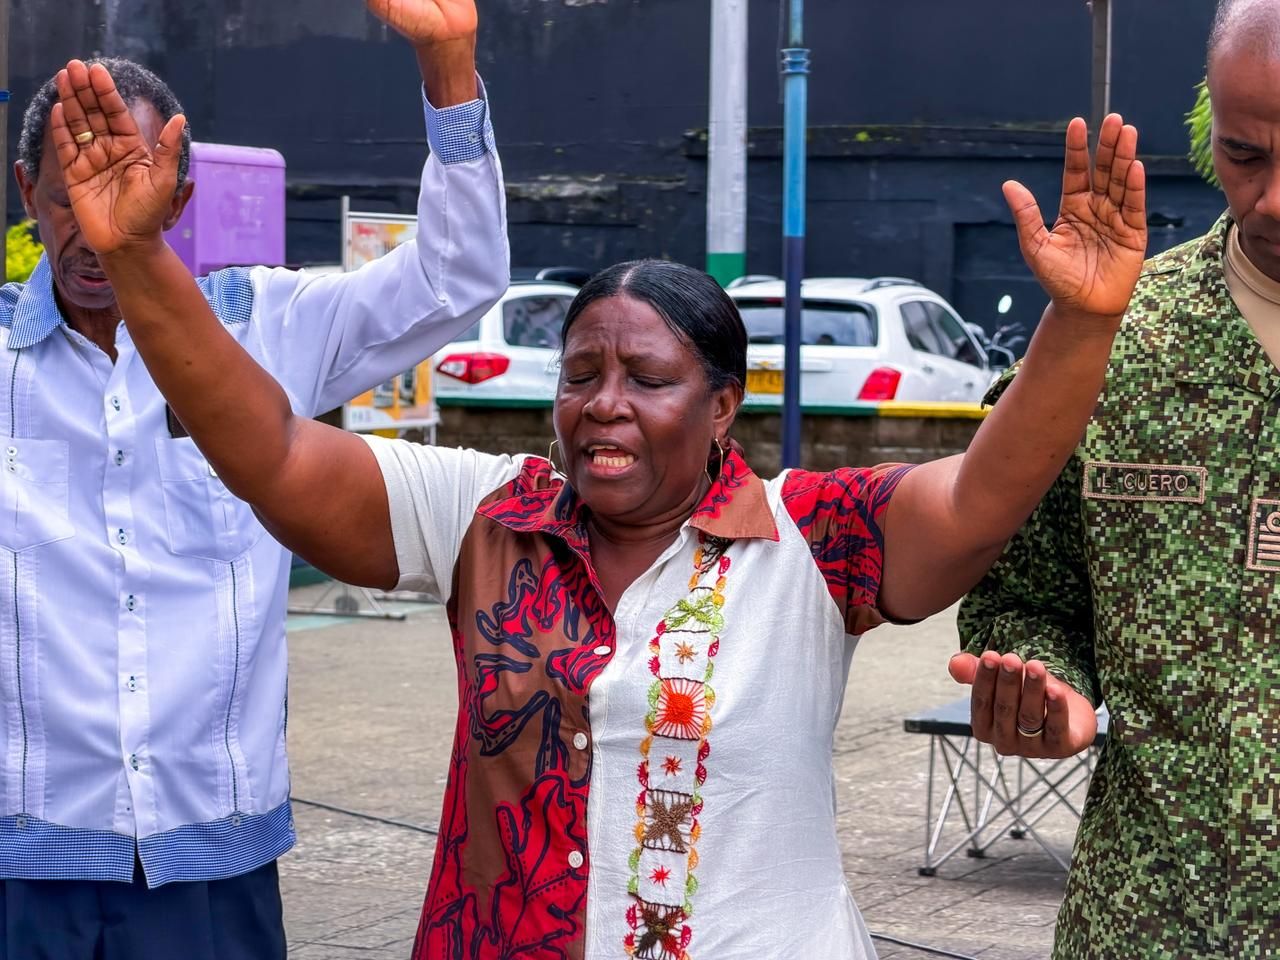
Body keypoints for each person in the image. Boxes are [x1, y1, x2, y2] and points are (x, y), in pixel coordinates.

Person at [49, 55, 1147, 959]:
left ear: (722, 407)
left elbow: (984, 493)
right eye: (581, 375)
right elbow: (274, 452)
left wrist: (1078, 328)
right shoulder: (489, 513)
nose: (604, 407)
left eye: (648, 380)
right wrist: (138, 256)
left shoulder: (808, 538)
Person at [0, 1, 506, 956]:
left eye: (131, 182)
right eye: (72, 190)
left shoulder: (264, 327)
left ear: (178, 199)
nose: (93, 225)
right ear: (28, 191)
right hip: (24, 862)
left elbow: (457, 279)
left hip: (216, 862)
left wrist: (448, 64)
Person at [951, 1, 1280, 956]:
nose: (1270, 201)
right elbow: (1018, 595)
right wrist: (1048, 688)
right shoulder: (1108, 341)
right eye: (1246, 156)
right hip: (1147, 921)